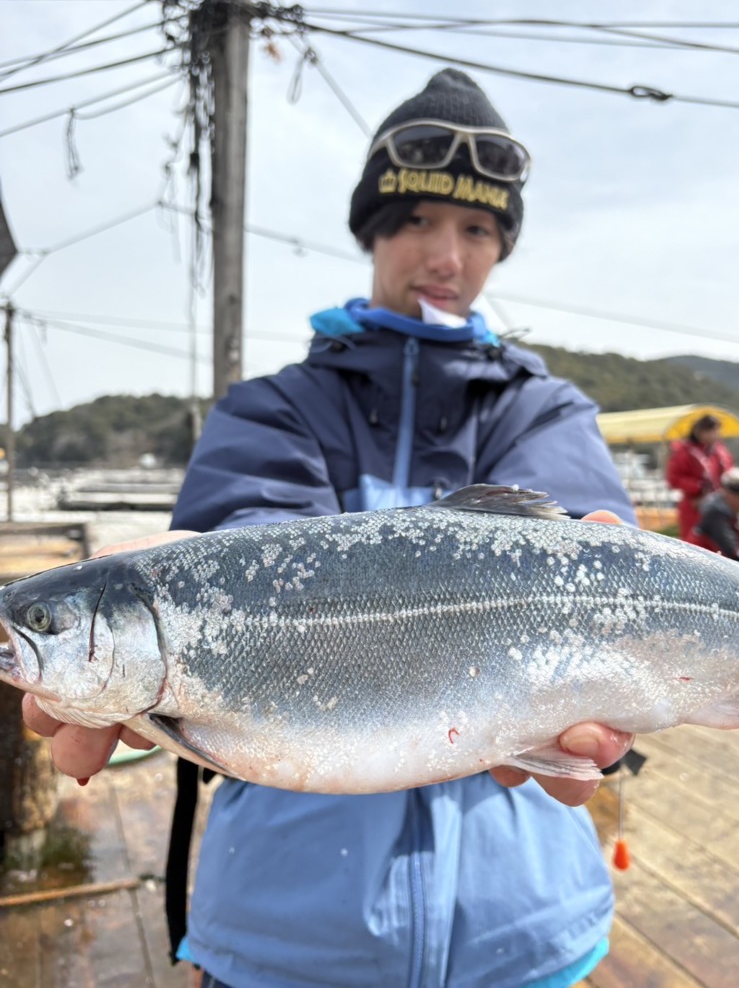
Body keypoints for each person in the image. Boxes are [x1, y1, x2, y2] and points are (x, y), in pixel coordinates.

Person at [23, 68, 638, 988]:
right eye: (417, 220)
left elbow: (586, 575)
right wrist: (185, 606)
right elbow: (250, 548)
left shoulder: (545, 411)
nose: (447, 255)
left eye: (477, 230)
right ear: (373, 230)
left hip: (526, 924)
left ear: (501, 247)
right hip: (287, 930)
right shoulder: (271, 408)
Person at [665, 413, 734, 542]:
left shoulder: (720, 451)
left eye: (716, 431)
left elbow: (729, 473)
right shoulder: (684, 451)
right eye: (710, 431)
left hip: (720, 504)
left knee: (719, 543)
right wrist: (699, 486)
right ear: (699, 431)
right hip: (694, 505)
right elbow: (673, 479)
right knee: (694, 544)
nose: (714, 434)